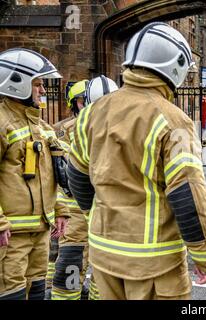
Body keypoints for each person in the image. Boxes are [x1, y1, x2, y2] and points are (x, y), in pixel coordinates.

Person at [67, 22, 206, 300]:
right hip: (153, 263)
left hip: (103, 253)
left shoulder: (92, 113)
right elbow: (188, 195)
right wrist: (205, 255)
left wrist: (100, 216)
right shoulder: (173, 120)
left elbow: (77, 176)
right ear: (175, 67)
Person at [0, 48, 69, 300]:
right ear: (16, 83)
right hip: (10, 236)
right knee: (11, 293)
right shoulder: (2, 122)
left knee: (37, 291)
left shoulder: (42, 128)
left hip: (41, 231)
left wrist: (60, 210)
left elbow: (49, 175)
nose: (42, 90)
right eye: (37, 84)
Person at [50, 76, 118, 300]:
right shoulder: (64, 131)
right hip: (77, 211)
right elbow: (65, 174)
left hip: (104, 211)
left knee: (105, 271)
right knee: (71, 265)